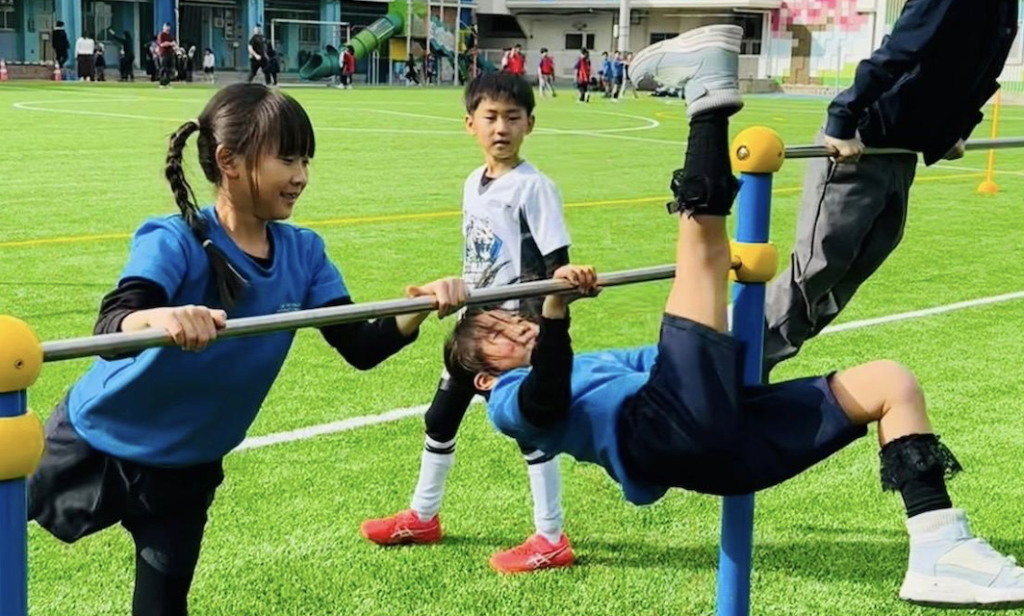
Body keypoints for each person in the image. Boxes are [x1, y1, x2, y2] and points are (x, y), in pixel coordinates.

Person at [443, 25, 1024, 609]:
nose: (514, 325)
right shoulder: (507, 404)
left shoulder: (593, 364)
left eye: (507, 320)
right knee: (704, 252)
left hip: (722, 446)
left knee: (890, 384)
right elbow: (546, 397)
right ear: (485, 377)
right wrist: (555, 313)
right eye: (495, 334)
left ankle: (938, 548)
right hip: (658, 434)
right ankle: (707, 97)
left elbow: (663, 358)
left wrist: (736, 331)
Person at [27, 83, 467, 616]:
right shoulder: (175, 239)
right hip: (97, 440)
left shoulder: (304, 253)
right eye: (287, 159)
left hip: (186, 464)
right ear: (228, 162)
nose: (301, 176)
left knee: (162, 607)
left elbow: (360, 346)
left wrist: (420, 305)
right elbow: (115, 321)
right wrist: (164, 316)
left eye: (306, 159)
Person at [362, 73, 576, 574]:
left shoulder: (535, 188)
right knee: (440, 420)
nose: (501, 127)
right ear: (470, 124)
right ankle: (423, 516)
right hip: (472, 330)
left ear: (530, 124)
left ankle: (551, 537)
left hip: (512, 337)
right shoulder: (472, 183)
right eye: (490, 117)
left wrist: (533, 334)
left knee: (529, 432)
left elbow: (557, 267)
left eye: (512, 117)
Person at [762, 0, 1018, 374]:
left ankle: (753, 365)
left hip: (903, 149)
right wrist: (842, 120)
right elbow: (902, 49)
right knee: (818, 269)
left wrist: (958, 128)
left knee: (855, 269)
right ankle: (735, 370)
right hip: (862, 142)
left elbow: (985, 69)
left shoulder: (1003, 8)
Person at [156, 23, 177, 87]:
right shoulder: (161, 35)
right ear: (164, 27)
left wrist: (171, 45)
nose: (168, 29)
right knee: (163, 68)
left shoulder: (170, 36)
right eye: (166, 27)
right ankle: (161, 83)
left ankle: (167, 82)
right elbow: (162, 44)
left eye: (168, 27)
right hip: (163, 54)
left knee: (169, 69)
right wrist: (169, 43)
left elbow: (174, 44)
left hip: (170, 54)